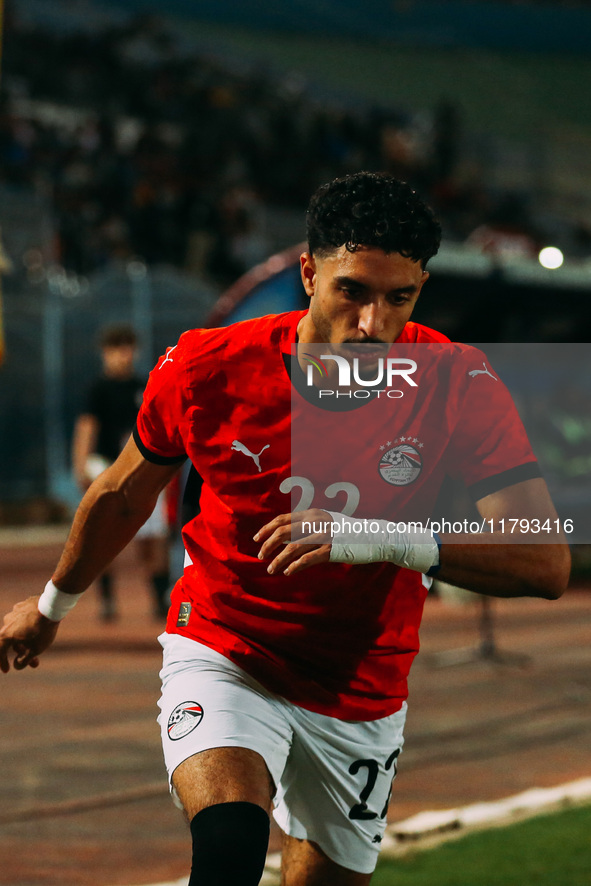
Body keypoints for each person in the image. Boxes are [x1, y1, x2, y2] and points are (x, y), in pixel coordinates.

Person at [0, 172, 570, 886]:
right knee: (228, 850)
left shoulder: (456, 380)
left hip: (359, 685)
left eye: (400, 297)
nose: (373, 323)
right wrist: (51, 606)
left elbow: (543, 562)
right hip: (224, 648)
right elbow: (120, 494)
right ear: (308, 271)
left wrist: (378, 537)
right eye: (352, 291)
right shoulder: (207, 367)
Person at [71, 324, 170, 619]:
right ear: (105, 353)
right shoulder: (98, 389)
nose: (123, 355)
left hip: (141, 471)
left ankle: (159, 600)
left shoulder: (143, 386)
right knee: (103, 538)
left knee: (152, 540)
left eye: (127, 348)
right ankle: (108, 603)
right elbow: (86, 428)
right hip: (106, 468)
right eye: (116, 349)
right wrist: (80, 467)